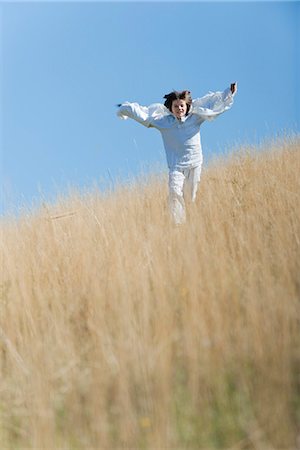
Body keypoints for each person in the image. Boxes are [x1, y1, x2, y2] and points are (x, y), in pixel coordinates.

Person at [116, 82, 237, 224]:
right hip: (176, 167)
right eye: (176, 106)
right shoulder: (164, 122)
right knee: (174, 192)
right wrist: (124, 108)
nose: (179, 108)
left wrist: (229, 92)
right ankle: (177, 224)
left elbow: (210, 103)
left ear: (187, 107)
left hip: (195, 164)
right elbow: (142, 115)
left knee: (190, 197)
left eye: (182, 106)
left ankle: (190, 223)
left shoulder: (195, 117)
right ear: (171, 108)